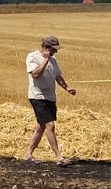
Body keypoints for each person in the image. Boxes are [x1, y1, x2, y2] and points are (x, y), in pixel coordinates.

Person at [23, 35, 77, 165]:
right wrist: (46, 60)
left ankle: (28, 154)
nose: (55, 52)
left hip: (50, 97)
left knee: (41, 126)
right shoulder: (33, 57)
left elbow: (57, 76)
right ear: (46, 48)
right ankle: (59, 157)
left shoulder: (53, 60)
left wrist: (67, 88)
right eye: (54, 49)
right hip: (37, 96)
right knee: (50, 125)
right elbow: (35, 74)